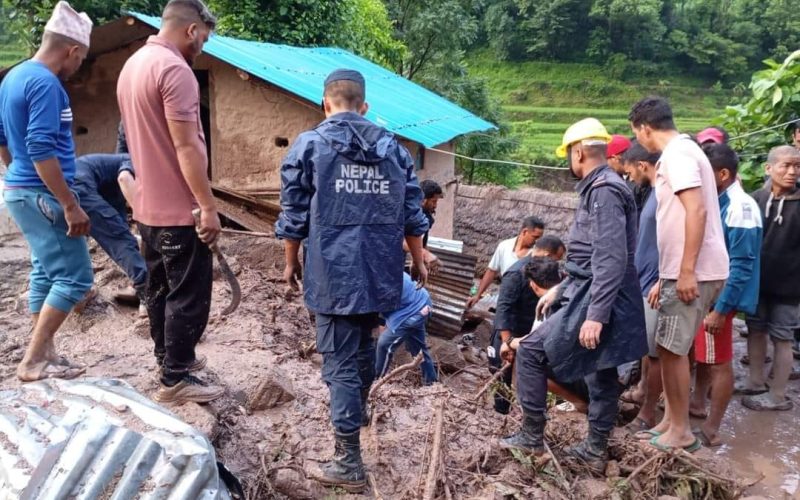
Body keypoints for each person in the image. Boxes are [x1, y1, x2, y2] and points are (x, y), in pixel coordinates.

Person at [275, 68, 429, 492]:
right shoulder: (395, 151)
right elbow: (413, 214)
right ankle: (357, 409)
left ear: (326, 105)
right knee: (362, 344)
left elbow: (294, 214)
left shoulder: (310, 145)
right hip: (380, 272)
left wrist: (291, 263)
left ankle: (348, 461)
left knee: (340, 362)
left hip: (333, 273)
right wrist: (417, 261)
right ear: (364, 107)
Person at [499, 118, 647, 473]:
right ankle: (595, 449)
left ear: (578, 152)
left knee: (532, 352)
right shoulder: (603, 187)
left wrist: (595, 314)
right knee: (600, 370)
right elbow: (592, 255)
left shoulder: (604, 192)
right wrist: (562, 288)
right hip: (592, 289)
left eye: (569, 155)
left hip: (598, 293)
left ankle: (532, 437)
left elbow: (611, 256)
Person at [117, 0, 223, 404]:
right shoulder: (176, 70)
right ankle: (175, 379)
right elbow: (187, 146)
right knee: (188, 295)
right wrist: (208, 206)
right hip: (181, 210)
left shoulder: (133, 66)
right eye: (203, 40)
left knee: (159, 289)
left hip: (147, 208)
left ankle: (168, 359)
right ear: (192, 30)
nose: (201, 49)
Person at [0, 1, 94, 382]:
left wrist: (16, 174)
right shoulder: (45, 83)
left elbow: (3, 140)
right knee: (76, 277)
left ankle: (47, 355)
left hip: (23, 190)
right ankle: (33, 360)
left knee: (45, 271)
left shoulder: (14, 76)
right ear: (72, 50)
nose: (78, 67)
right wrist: (70, 205)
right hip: (43, 194)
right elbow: (40, 148)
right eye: (81, 59)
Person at [629, 97, 728, 452]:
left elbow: (695, 210)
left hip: (693, 270)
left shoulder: (678, 155)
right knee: (669, 347)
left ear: (643, 127)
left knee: (672, 350)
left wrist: (686, 271)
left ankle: (681, 431)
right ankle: (671, 421)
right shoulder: (686, 151)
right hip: (680, 270)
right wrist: (668, 273)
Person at [685, 143, 762, 444]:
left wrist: (721, 308)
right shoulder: (721, 200)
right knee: (706, 356)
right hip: (712, 294)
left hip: (720, 299)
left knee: (719, 362)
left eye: (705, 173)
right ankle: (698, 404)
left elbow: (742, 267)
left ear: (723, 174)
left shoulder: (741, 209)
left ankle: (712, 429)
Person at [737, 145, 800, 411]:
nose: (792, 171)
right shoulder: (755, 200)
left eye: (797, 166)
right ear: (769, 168)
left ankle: (776, 395)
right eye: (785, 165)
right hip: (757, 283)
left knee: (782, 338)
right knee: (755, 330)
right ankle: (755, 382)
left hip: (791, 287)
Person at [489, 236, 566, 414]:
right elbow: (503, 310)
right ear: (547, 255)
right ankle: (501, 412)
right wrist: (507, 342)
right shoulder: (516, 274)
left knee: (533, 372)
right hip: (511, 330)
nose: (557, 264)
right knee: (502, 372)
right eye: (557, 258)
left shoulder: (554, 277)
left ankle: (538, 410)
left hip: (532, 331)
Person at [618, 142, 663, 433]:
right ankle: (644, 394)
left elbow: (676, 239)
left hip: (657, 284)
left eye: (630, 171)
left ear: (642, 165)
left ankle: (648, 415)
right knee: (648, 349)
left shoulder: (666, 194)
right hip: (646, 281)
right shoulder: (655, 193)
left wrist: (663, 278)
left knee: (659, 353)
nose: (630, 177)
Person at [73, 153, 147, 306]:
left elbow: (117, 215)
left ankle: (76, 292)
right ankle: (146, 291)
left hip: (60, 190)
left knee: (73, 242)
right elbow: (125, 179)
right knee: (120, 239)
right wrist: (143, 218)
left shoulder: (108, 177)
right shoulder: (135, 159)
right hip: (79, 186)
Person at [465, 216, 545, 309]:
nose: (537, 241)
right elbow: (491, 271)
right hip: (506, 297)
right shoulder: (504, 246)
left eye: (539, 238)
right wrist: (477, 295)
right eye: (535, 237)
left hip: (526, 302)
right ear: (524, 232)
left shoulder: (537, 254)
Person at [375, 272, 437, 386]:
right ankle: (432, 382)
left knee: (384, 344)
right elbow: (381, 315)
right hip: (419, 303)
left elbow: (381, 312)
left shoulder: (379, 278)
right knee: (418, 349)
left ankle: (377, 380)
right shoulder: (377, 272)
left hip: (416, 309)